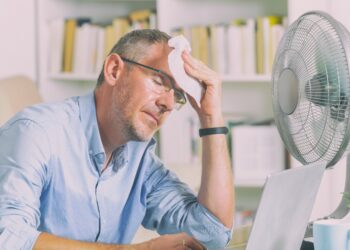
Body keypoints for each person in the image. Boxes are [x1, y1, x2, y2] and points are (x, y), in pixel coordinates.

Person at [0, 29, 234, 249]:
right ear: (114, 70)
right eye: (159, 82)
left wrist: (211, 117)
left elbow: (212, 234)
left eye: (179, 96)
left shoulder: (141, 163)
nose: (169, 104)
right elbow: (8, 237)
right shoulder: (36, 132)